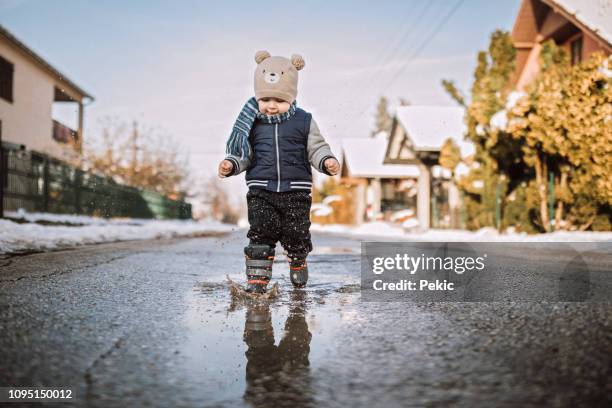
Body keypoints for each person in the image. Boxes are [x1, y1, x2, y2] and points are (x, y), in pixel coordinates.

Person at [218, 50, 339, 293]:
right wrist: (232, 164)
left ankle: (297, 260)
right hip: (261, 189)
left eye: (279, 101)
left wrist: (326, 161)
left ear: (292, 98)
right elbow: (245, 153)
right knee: (261, 231)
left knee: (296, 234)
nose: (271, 106)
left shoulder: (304, 120)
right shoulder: (252, 121)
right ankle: (257, 279)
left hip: (296, 190)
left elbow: (316, 147)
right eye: (265, 100)